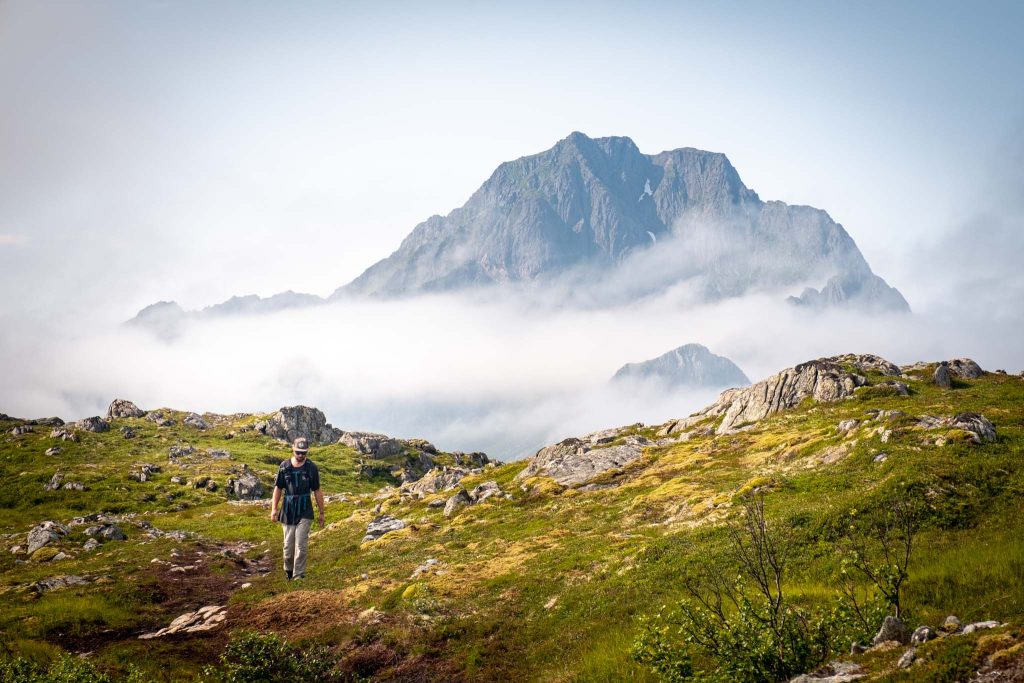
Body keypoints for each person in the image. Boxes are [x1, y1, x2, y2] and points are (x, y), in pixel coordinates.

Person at [269, 437, 325, 580]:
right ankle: (288, 571)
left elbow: (317, 490)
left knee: (301, 545)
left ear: (307, 452)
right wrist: (274, 509)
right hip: (287, 510)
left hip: (305, 510)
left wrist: (321, 513)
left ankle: (298, 575)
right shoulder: (284, 466)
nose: (300, 455)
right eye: (298, 452)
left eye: (303, 453)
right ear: (292, 448)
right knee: (288, 548)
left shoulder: (312, 468)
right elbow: (278, 488)